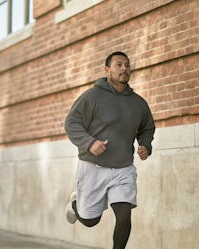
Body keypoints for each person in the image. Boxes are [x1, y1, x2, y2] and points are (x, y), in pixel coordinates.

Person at [64, 51, 155, 249]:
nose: (124, 69)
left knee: (124, 216)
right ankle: (75, 204)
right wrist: (89, 143)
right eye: (119, 65)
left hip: (123, 168)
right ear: (107, 70)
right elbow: (72, 123)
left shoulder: (138, 103)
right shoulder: (92, 96)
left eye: (127, 65)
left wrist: (145, 145)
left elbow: (147, 128)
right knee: (90, 221)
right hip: (93, 166)